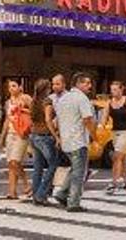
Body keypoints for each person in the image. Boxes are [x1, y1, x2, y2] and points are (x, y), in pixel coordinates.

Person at [54, 72, 96, 212]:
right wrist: (95, 138)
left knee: (75, 169)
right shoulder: (82, 99)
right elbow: (87, 119)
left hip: (66, 140)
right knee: (79, 173)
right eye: (86, 83)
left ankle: (62, 193)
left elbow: (57, 120)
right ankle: (73, 202)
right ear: (78, 84)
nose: (89, 86)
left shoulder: (63, 98)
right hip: (78, 140)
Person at [101, 80, 126, 193]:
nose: (113, 92)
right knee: (123, 158)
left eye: (115, 89)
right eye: (111, 90)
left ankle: (113, 183)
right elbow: (104, 118)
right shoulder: (109, 102)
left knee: (117, 156)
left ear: (122, 89)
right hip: (115, 132)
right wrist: (101, 126)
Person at [27, 78, 60, 206]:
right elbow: (48, 120)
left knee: (38, 167)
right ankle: (41, 194)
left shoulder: (33, 101)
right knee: (53, 164)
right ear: (46, 89)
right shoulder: (47, 102)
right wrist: (56, 136)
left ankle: (36, 195)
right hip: (45, 136)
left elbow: (31, 120)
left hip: (34, 135)